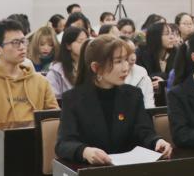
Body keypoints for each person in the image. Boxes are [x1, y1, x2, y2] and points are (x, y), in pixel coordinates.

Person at [56, 35, 172, 165]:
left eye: (126, 60)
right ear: (96, 68)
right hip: (90, 171)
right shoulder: (73, 99)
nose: (125, 67)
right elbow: (63, 143)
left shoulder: (133, 95)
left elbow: (144, 131)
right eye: (118, 61)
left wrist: (156, 141)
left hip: (128, 169)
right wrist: (84, 151)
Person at [0, 20, 58, 171]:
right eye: (15, 43)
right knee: (20, 164)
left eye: (23, 41)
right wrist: (28, 132)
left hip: (38, 146)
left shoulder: (40, 81)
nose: (22, 47)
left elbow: (53, 119)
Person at [47, 26, 86, 99]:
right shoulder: (56, 72)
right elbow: (53, 99)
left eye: (86, 41)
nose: (85, 45)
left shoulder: (91, 66)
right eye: (80, 41)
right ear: (68, 46)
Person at [122, 38, 155, 108]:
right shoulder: (110, 76)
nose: (133, 58)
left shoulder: (141, 73)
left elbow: (148, 104)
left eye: (134, 52)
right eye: (128, 53)